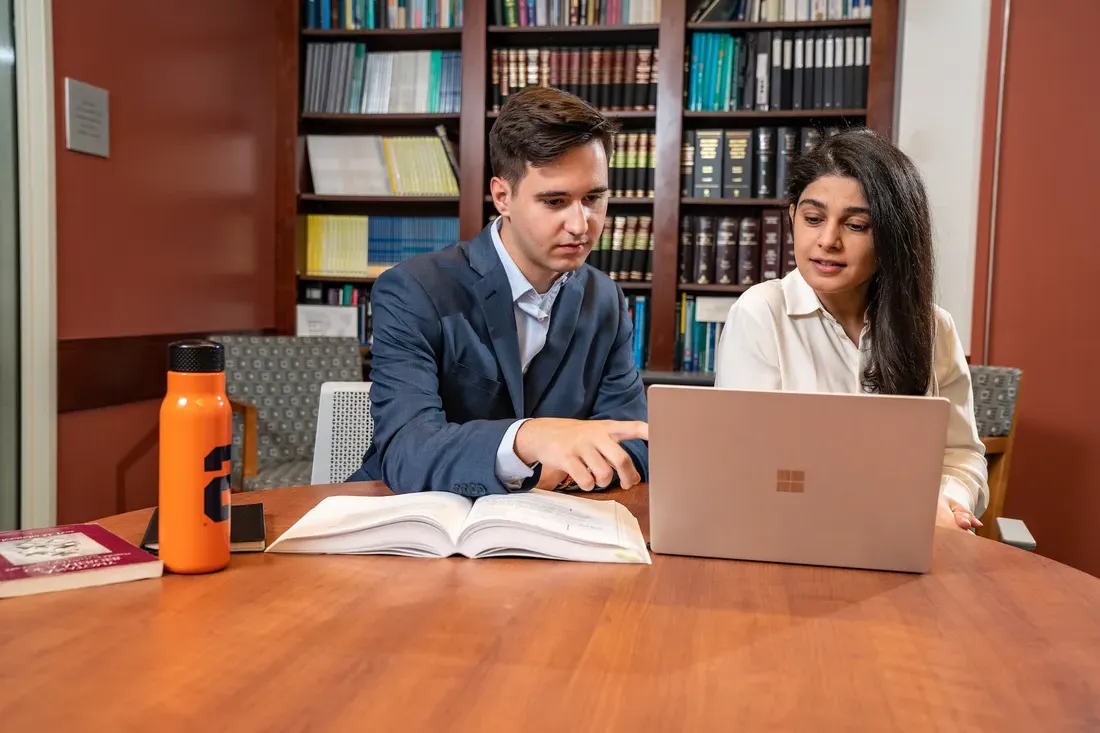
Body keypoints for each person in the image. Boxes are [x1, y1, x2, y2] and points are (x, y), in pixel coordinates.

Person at [347, 85, 649, 496]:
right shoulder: (413, 290)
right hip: (415, 522)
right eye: (556, 201)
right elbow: (407, 451)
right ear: (502, 196)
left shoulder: (605, 299)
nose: (581, 225)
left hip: (553, 525)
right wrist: (528, 439)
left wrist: (561, 470)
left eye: (594, 198)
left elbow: (634, 440)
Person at [713, 128, 988, 532]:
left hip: (908, 539)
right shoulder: (761, 313)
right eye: (812, 218)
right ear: (792, 217)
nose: (827, 241)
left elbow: (961, 454)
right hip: (793, 535)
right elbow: (746, 463)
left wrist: (948, 501)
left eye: (856, 226)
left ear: (892, 236)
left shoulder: (933, 328)